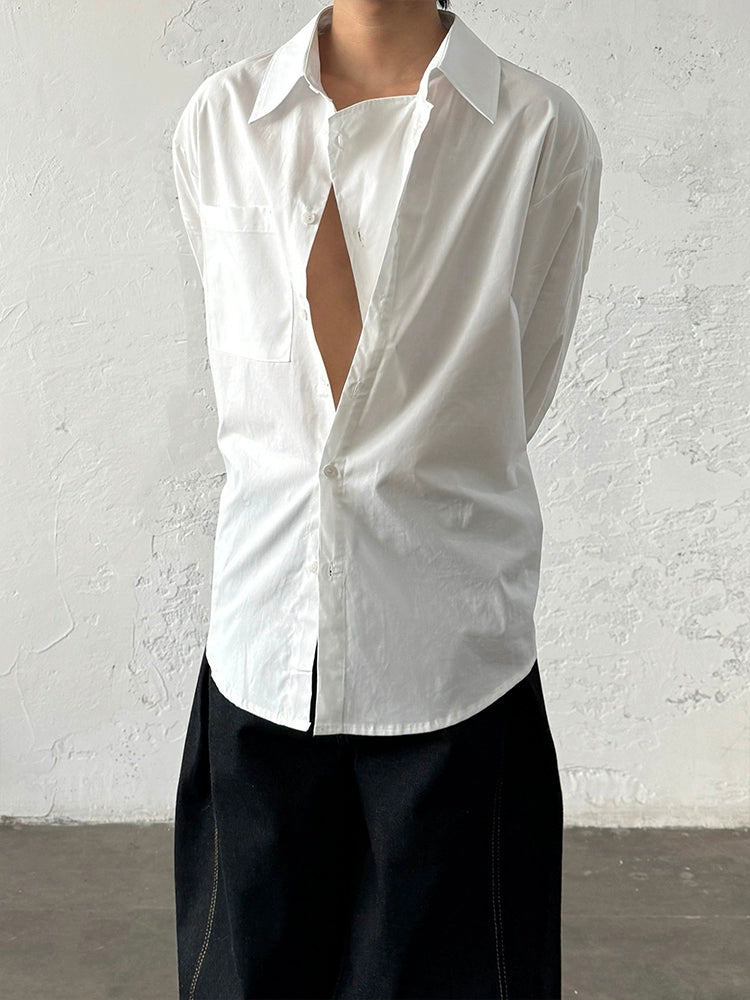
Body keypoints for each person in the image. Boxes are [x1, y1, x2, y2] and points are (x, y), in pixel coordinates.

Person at [171, 1, 602, 997]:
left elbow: (516, 389)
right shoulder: (221, 119)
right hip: (262, 653)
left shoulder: (537, 132)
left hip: (451, 665)